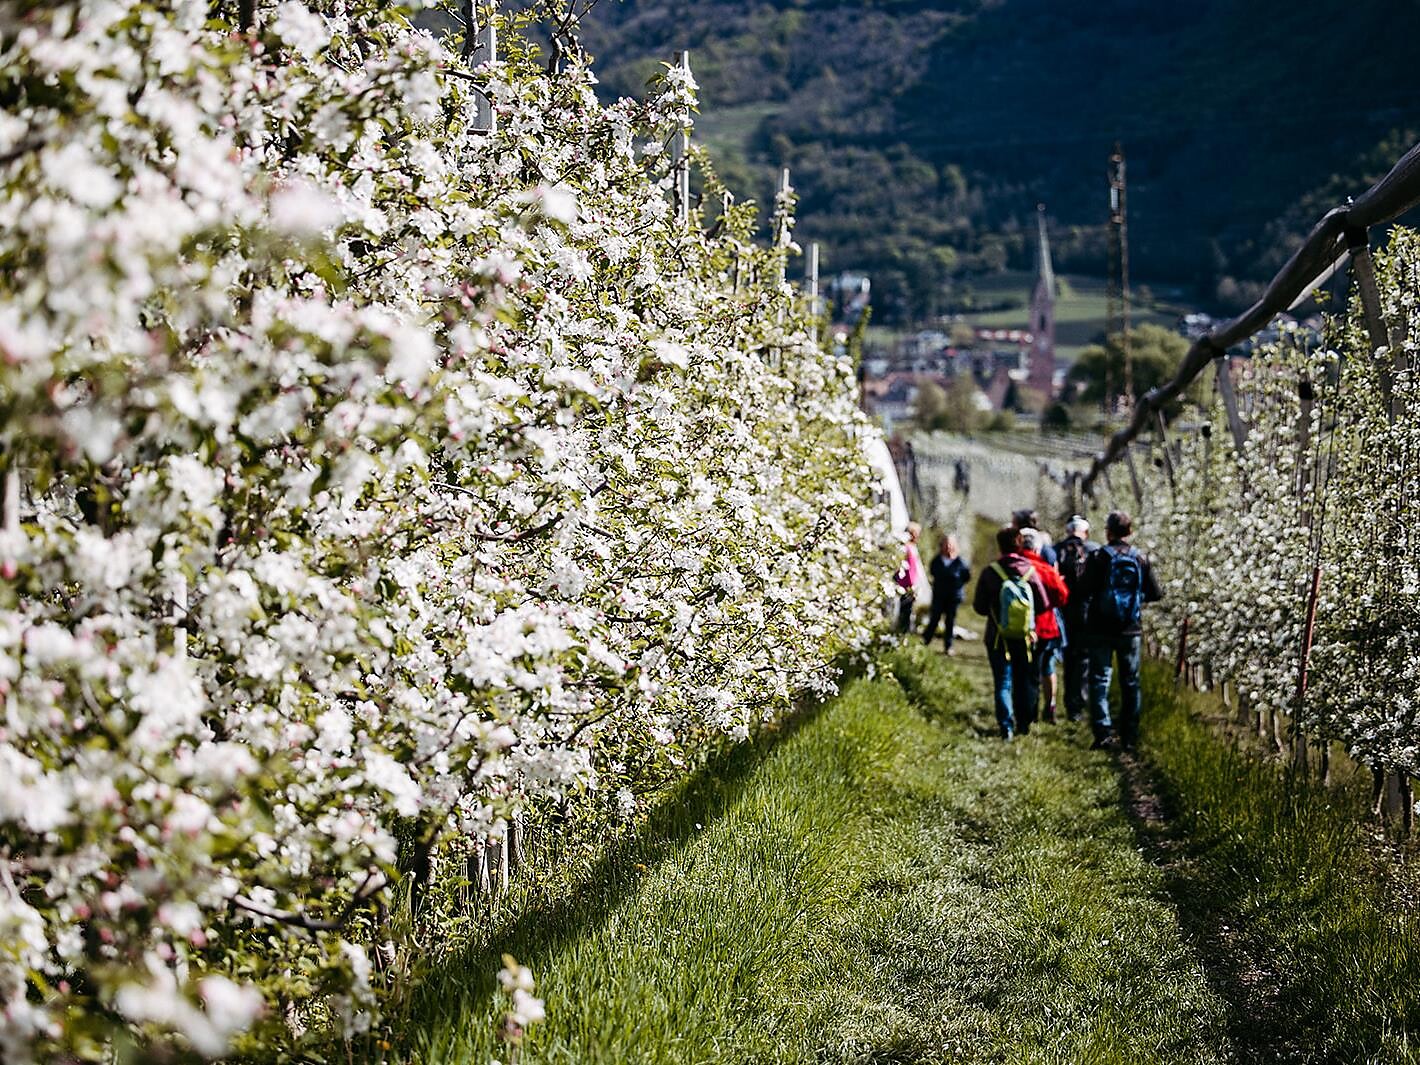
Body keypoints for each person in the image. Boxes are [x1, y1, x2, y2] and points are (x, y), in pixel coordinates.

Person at [1079, 510, 1162, 751]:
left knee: (1099, 680)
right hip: (1130, 629)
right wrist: (1133, 600)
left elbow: (1084, 589)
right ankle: (1130, 736)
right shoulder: (1140, 558)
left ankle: (1103, 733)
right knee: (1131, 682)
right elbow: (1156, 593)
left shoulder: (1098, 557)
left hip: (1100, 628)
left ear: (1108, 532)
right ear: (1130, 532)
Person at [973, 525, 1049, 741]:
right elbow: (1043, 605)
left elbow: (979, 607)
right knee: (1024, 679)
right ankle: (1024, 723)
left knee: (1003, 682)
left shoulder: (990, 572)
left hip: (997, 637)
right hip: (1025, 638)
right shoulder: (1031, 572)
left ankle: (1006, 726)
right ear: (1019, 544)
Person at [1020, 528, 1069, 724]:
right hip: (1046, 626)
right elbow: (1063, 596)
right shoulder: (1046, 570)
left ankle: (1028, 711)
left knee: (1026, 669)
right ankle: (1050, 706)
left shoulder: (1014, 567)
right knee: (1047, 668)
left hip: (1020, 628)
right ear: (1038, 549)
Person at [1055, 515, 1099, 723]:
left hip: (1063, 612)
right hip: (1086, 612)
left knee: (1068, 657)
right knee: (1083, 659)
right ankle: (1077, 706)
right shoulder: (1094, 551)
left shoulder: (1057, 550)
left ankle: (1065, 701)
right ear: (1086, 533)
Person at [923, 534, 971, 653]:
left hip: (954, 597)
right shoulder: (937, 560)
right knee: (934, 619)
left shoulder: (961, 562)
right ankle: (924, 641)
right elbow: (933, 572)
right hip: (939, 595)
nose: (948, 547)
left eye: (951, 544)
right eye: (946, 544)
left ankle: (948, 646)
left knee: (950, 621)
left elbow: (966, 577)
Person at [895, 522, 926, 634]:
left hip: (912, 583)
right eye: (915, 533)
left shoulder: (913, 547)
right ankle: (901, 631)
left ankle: (904, 633)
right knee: (905, 609)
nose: (917, 536)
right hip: (906, 583)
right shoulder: (906, 547)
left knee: (908, 610)